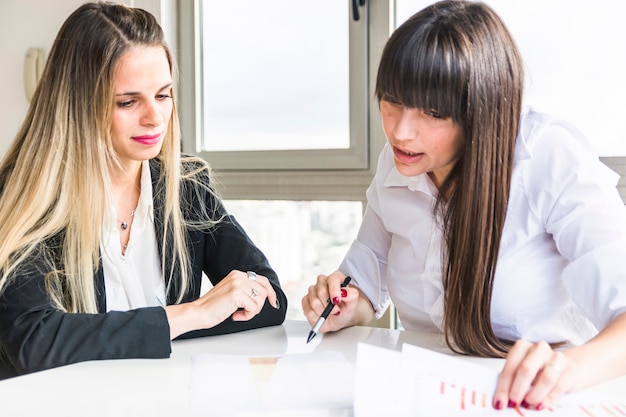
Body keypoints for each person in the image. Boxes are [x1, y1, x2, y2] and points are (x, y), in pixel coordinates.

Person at [302, 0, 626, 411]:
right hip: (428, 395)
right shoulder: (400, 161)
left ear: (482, 111)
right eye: (392, 100)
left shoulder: (547, 156)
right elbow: (365, 279)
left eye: (433, 112)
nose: (401, 131)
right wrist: (343, 307)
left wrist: (564, 369)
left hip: (532, 402)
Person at [0, 1, 287, 379]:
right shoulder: (28, 198)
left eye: (163, 95)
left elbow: (269, 301)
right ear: (79, 106)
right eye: (128, 101)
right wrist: (190, 314)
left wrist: (208, 309)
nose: (154, 117)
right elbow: (34, 341)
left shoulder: (185, 186)